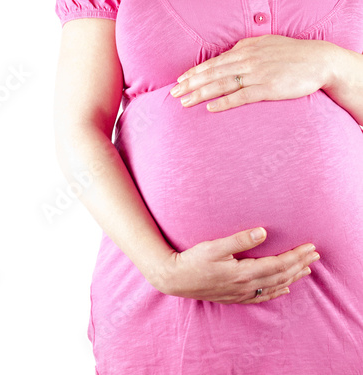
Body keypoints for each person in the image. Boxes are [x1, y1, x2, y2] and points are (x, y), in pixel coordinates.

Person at [53, 0, 363, 373]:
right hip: (165, 294)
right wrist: (163, 269)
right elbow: (80, 128)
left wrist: (333, 66)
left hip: (337, 297)